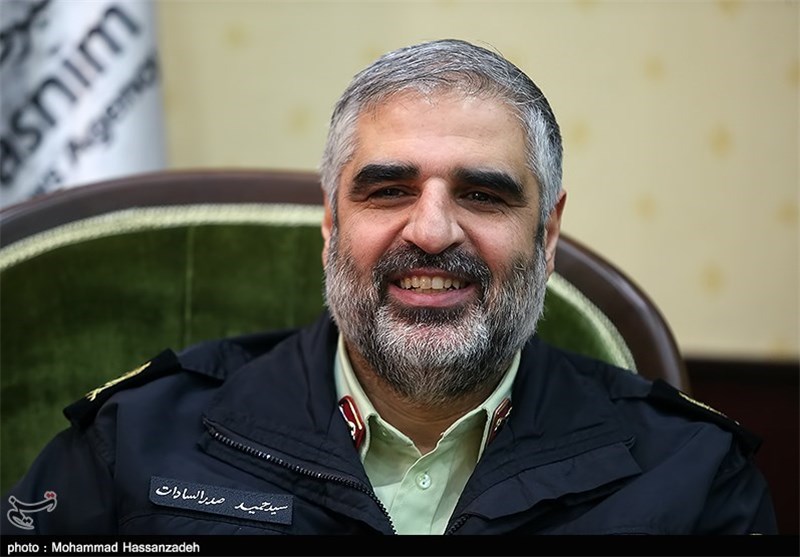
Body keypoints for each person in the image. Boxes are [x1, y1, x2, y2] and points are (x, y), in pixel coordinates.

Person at [1, 39, 777, 536]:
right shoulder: (131, 442)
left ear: (547, 237)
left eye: (483, 194)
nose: (432, 231)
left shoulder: (694, 477)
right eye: (388, 190)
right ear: (331, 224)